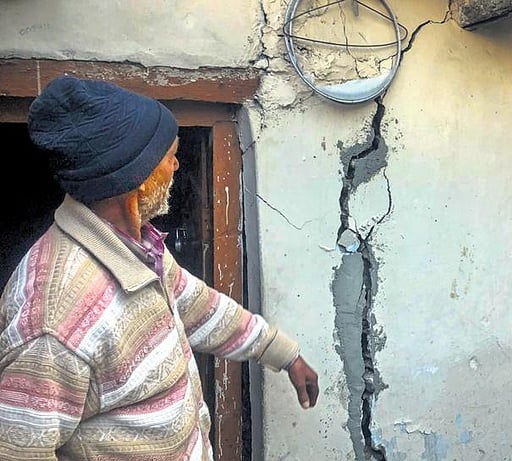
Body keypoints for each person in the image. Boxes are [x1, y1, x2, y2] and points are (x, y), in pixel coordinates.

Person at [0, 75, 319, 460]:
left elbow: (198, 306)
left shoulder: (137, 245)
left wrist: (282, 352)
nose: (177, 164)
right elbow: (19, 451)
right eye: (170, 156)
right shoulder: (53, 323)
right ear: (137, 179)